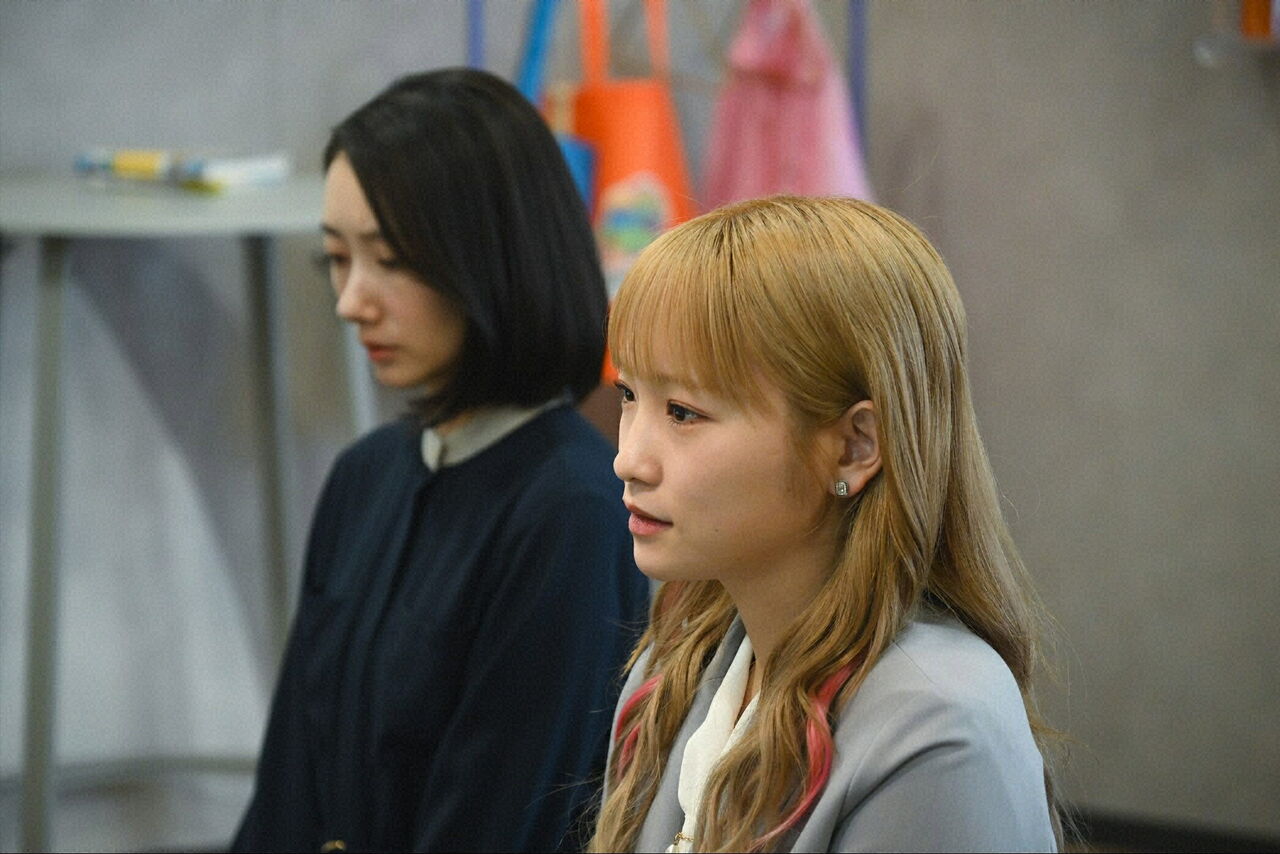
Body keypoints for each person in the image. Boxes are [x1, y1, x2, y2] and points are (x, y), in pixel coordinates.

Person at [232, 68, 650, 853]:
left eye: (390, 259)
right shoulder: (366, 475)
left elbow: (502, 821)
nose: (351, 300)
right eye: (336, 258)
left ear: (495, 256)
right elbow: (288, 784)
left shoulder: (573, 514)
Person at [590, 195, 1064, 853]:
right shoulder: (670, 670)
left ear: (853, 447)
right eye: (629, 395)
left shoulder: (938, 728)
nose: (628, 460)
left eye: (683, 412)